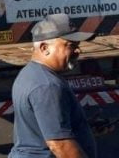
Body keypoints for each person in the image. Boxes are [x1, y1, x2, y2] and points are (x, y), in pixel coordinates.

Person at [9, 13, 96, 158]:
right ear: (44, 48)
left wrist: (81, 128)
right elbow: (60, 145)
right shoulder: (48, 86)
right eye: (71, 45)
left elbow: (41, 126)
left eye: (78, 45)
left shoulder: (30, 73)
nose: (78, 50)